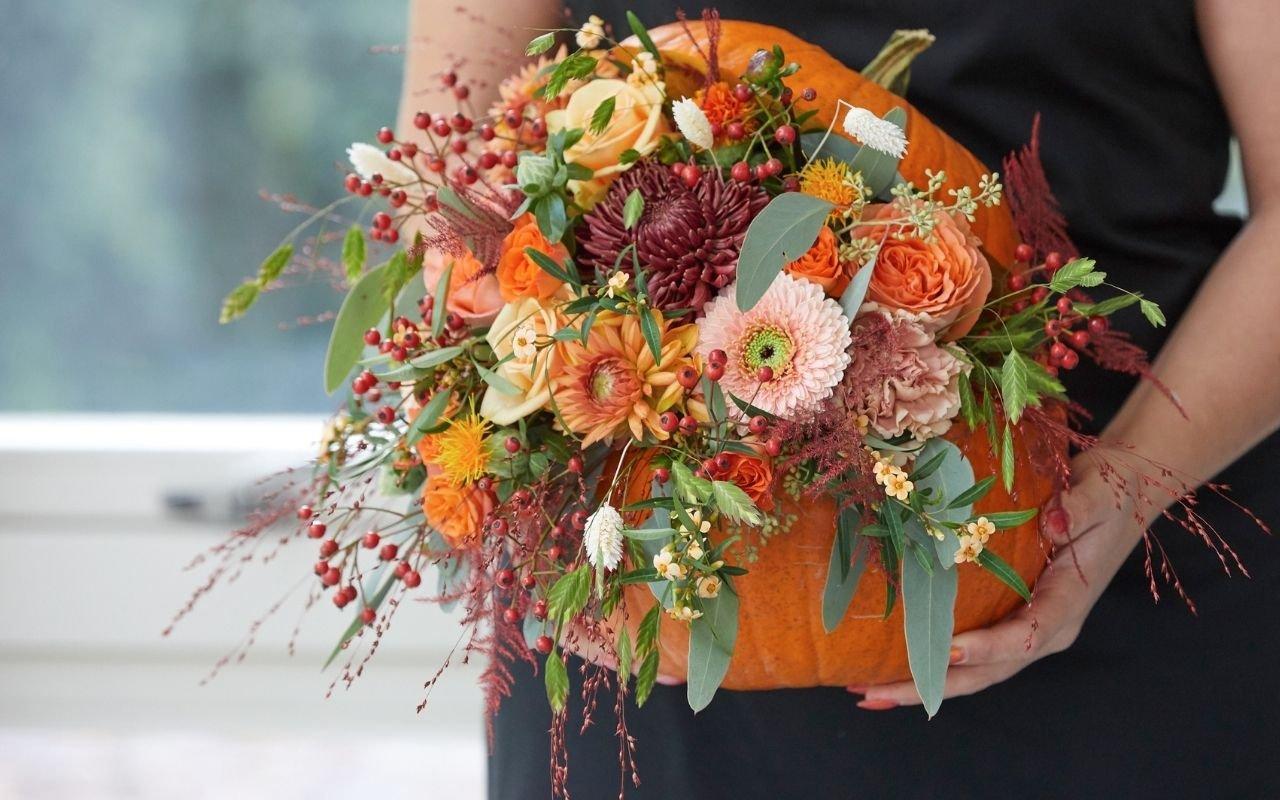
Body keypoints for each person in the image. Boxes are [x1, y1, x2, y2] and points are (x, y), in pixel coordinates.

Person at [397, 1, 1280, 796]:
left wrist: (1125, 491)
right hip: (651, 586)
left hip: (1124, 552)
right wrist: (526, 491)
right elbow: (440, 183)